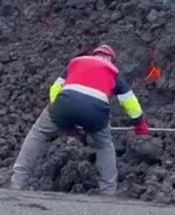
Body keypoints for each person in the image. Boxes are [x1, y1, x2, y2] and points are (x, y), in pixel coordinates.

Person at [9, 44, 150, 195]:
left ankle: (18, 181)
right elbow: (130, 101)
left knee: (38, 134)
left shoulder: (77, 62)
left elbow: (55, 88)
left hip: (65, 103)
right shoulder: (113, 71)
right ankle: (108, 190)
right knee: (104, 145)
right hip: (96, 111)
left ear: (94, 54)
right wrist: (140, 124)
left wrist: (63, 117)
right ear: (111, 59)